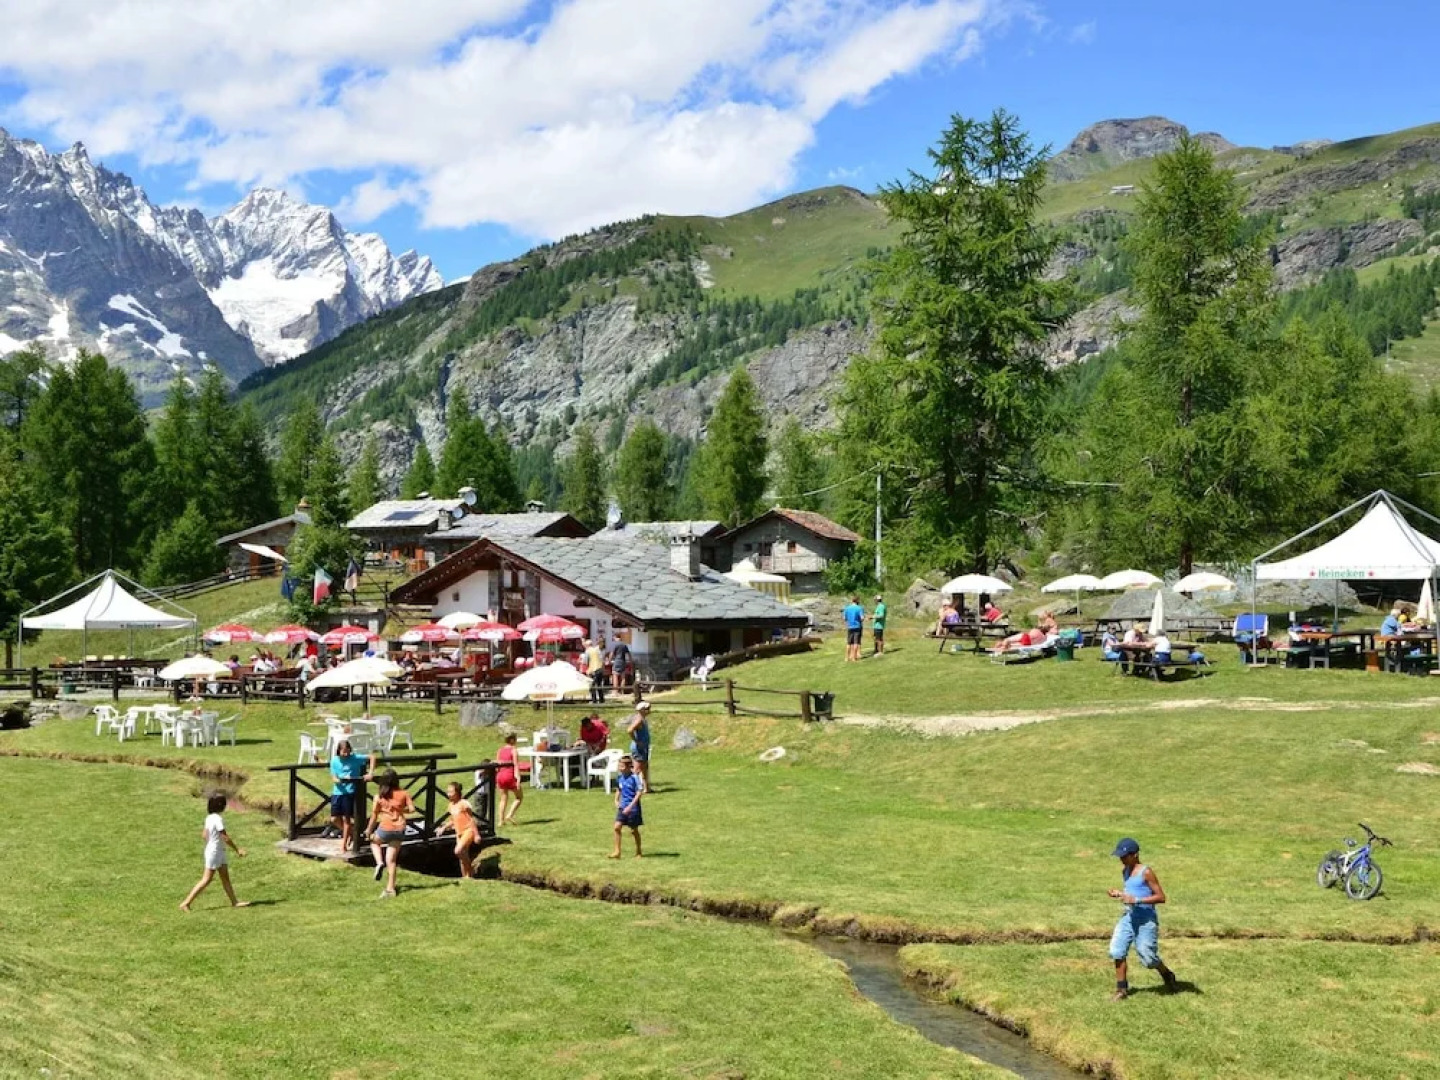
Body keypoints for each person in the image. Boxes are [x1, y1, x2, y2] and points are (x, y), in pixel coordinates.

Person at [1106, 837, 1178, 1001]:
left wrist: (1137, 900)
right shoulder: (1125, 871)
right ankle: (1121, 990)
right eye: (1120, 856)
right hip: (1128, 917)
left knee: (1148, 958)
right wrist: (1119, 894)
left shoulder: (1146, 872)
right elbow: (1131, 893)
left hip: (1145, 920)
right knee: (1116, 950)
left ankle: (1167, 974)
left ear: (1135, 855)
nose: (1121, 859)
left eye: (1124, 856)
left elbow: (1161, 897)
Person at [179, 792, 249, 912]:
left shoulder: (209, 818)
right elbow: (225, 837)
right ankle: (185, 903)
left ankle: (235, 902)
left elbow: (204, 835)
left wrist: (212, 842)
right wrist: (238, 850)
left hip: (217, 851)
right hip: (215, 852)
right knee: (206, 879)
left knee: (225, 878)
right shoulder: (218, 819)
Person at [365, 768, 415, 898]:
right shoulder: (404, 793)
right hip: (399, 829)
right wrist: (400, 811)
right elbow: (412, 809)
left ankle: (379, 862)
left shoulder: (379, 796)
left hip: (385, 828)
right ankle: (390, 889)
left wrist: (368, 830)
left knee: (374, 842)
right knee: (391, 861)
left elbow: (374, 816)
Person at [325, 740, 369, 849]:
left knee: (346, 819)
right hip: (337, 792)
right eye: (343, 752)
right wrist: (338, 780)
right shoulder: (334, 760)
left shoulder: (355, 758)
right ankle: (351, 833)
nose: (346, 754)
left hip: (349, 792)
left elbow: (371, 757)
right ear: (339, 751)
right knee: (334, 819)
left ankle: (343, 845)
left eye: (348, 751)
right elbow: (333, 776)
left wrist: (371, 772)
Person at [436, 781, 480, 879]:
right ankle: (466, 877)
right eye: (448, 792)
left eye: (451, 792)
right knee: (462, 855)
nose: (448, 794)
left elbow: (471, 819)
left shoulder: (464, 804)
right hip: (459, 833)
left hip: (468, 830)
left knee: (458, 851)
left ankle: (471, 870)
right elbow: (453, 820)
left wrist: (476, 834)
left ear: (457, 792)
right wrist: (443, 828)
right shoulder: (451, 805)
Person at [608, 754, 644, 859]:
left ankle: (639, 851)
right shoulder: (620, 778)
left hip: (633, 808)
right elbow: (619, 789)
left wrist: (631, 806)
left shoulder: (634, 778)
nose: (620, 768)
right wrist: (616, 800)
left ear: (629, 767)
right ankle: (617, 851)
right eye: (619, 766)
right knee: (617, 827)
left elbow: (639, 792)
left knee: (634, 830)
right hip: (622, 807)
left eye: (622, 766)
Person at [495, 732, 524, 826]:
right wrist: (518, 778)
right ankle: (510, 815)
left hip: (500, 775)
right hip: (509, 775)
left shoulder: (500, 750)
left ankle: (500, 820)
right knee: (519, 797)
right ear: (512, 740)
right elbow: (515, 764)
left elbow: (498, 764)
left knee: (503, 799)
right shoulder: (513, 750)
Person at [627, 700, 653, 792]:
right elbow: (629, 730)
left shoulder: (642, 719)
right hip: (639, 748)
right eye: (647, 709)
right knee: (637, 769)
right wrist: (637, 741)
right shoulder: (639, 720)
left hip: (643, 747)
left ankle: (647, 788)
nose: (649, 710)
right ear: (642, 710)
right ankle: (630, 788)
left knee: (645, 767)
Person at [843, 595, 865, 662]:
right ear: (857, 600)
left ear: (852, 600)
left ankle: (846, 658)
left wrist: (849, 620)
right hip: (857, 626)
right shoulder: (859, 608)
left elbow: (844, 618)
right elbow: (862, 618)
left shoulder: (847, 608)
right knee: (856, 642)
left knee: (849, 643)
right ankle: (854, 658)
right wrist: (860, 620)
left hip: (850, 627)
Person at [584, 637, 607, 703]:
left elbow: (586, 661)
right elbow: (602, 659)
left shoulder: (588, 651)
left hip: (593, 670)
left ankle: (594, 700)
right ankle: (601, 700)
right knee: (599, 685)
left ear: (587, 645)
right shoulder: (597, 650)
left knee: (592, 686)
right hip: (600, 669)